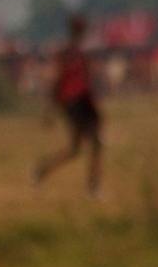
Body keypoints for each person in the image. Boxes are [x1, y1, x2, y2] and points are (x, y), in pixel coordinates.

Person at [34, 13, 105, 197]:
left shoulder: (79, 54)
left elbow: (85, 81)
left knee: (87, 146)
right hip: (73, 102)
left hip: (81, 101)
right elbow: (58, 81)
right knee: (81, 147)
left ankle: (92, 186)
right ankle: (92, 188)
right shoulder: (67, 54)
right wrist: (49, 110)